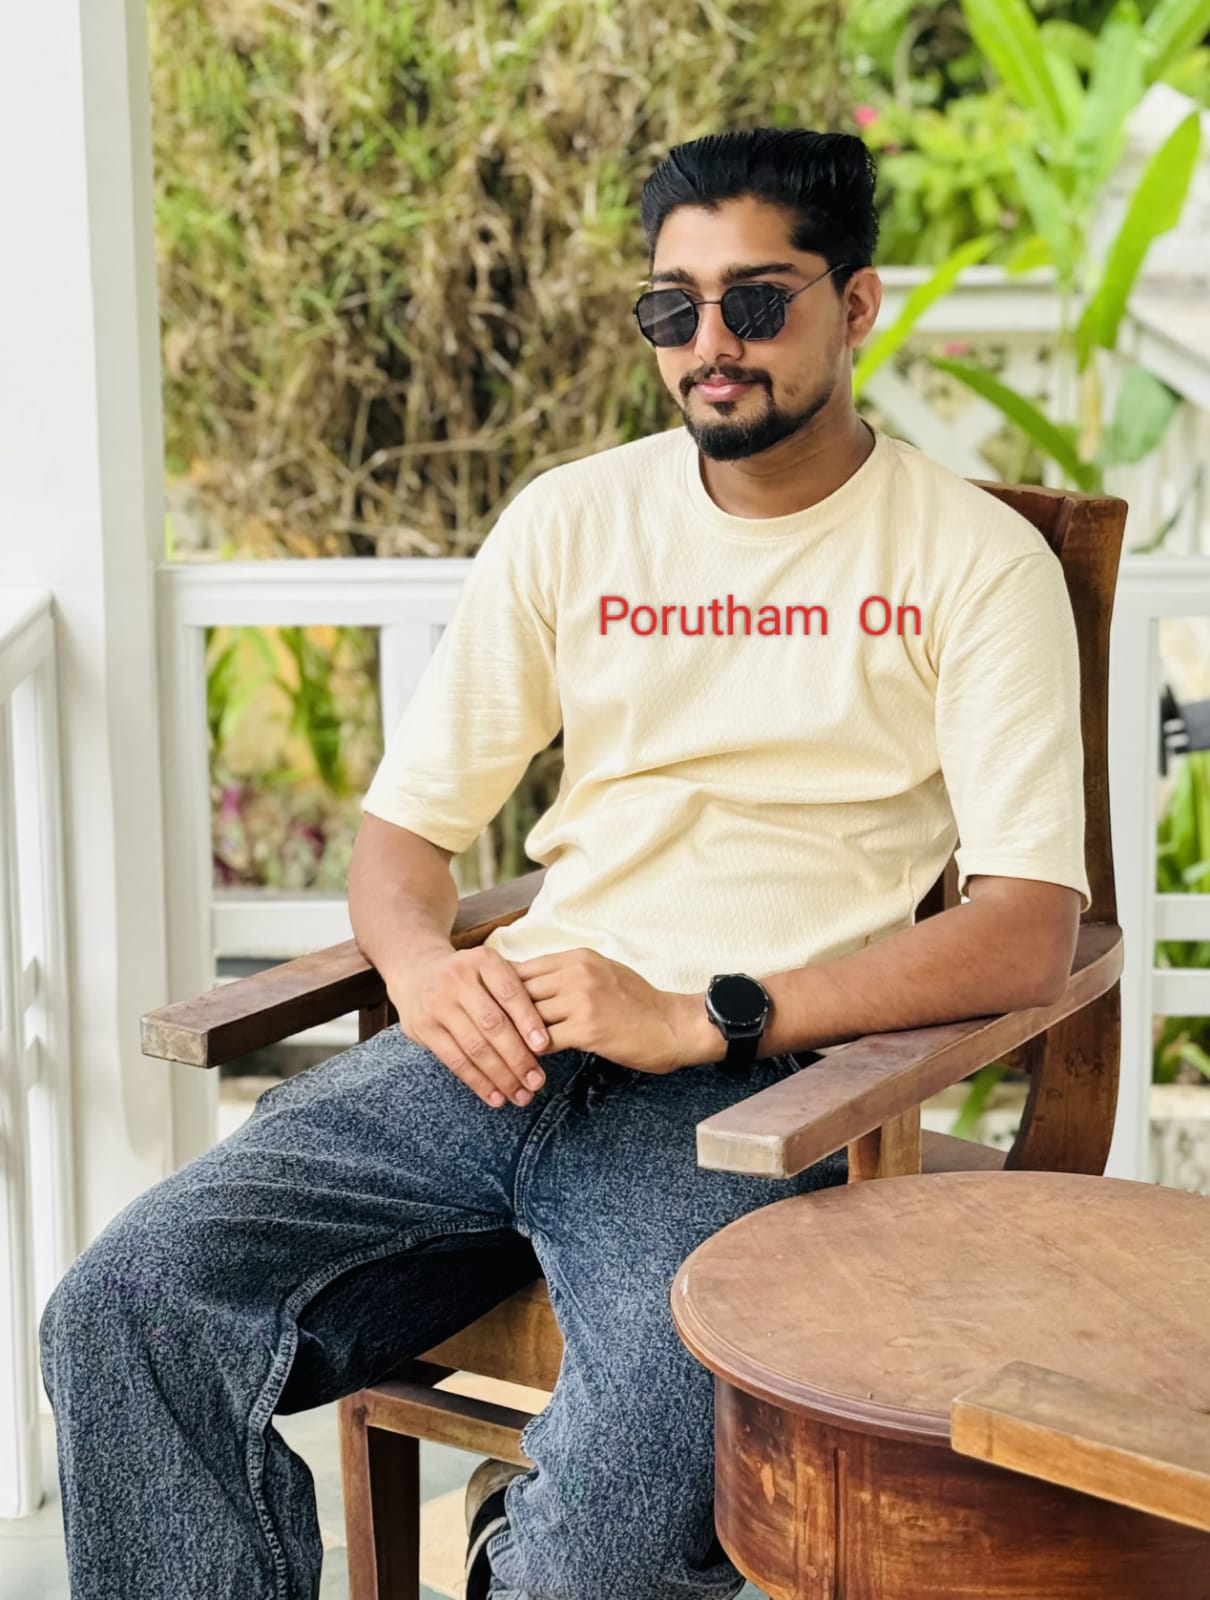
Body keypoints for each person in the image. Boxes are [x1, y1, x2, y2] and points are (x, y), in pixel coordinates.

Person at [40, 127, 1089, 1600]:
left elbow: (1027, 930)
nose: (709, 345)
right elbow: (405, 835)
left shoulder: (973, 561)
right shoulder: (573, 518)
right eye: (673, 307)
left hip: (743, 1098)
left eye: (756, 301)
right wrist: (426, 972)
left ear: (856, 304)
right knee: (125, 1313)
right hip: (496, 1046)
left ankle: (513, 1553)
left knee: (599, 1551)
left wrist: (709, 1015)